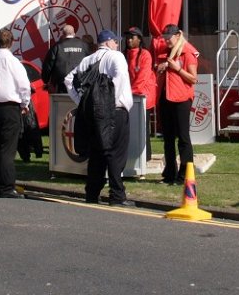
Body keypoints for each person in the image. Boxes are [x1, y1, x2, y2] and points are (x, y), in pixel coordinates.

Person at [65, 29, 134, 207]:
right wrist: (110, 103)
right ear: (109, 42)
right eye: (116, 41)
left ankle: (92, 193)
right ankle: (117, 196)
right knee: (115, 153)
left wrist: (81, 101)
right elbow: (120, 79)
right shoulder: (116, 57)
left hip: (92, 113)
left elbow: (68, 79)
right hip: (114, 111)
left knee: (97, 154)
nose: (118, 44)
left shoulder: (88, 59)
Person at [0, 27, 32, 198]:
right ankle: (6, 187)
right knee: (8, 149)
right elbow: (24, 86)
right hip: (11, 106)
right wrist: (25, 103)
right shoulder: (13, 62)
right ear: (11, 43)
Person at [154, 24, 199, 186]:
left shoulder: (187, 51)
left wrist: (178, 69)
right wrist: (158, 68)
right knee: (167, 139)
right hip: (166, 97)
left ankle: (184, 175)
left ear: (178, 35)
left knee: (183, 138)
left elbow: (193, 79)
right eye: (165, 39)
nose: (167, 42)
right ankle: (169, 174)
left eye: (169, 38)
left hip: (181, 99)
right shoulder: (165, 52)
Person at [124, 26, 157, 159]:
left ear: (139, 39)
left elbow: (142, 78)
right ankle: (131, 155)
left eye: (132, 37)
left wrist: (129, 92)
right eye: (127, 37)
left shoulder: (145, 55)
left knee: (142, 128)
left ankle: (145, 156)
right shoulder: (124, 54)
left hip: (143, 95)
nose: (129, 40)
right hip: (130, 95)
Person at [40, 21, 89, 94]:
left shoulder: (57, 46)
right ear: (74, 34)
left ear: (63, 34)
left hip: (61, 84)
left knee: (62, 104)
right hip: (80, 83)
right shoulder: (84, 45)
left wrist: (46, 80)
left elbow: (48, 65)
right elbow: (90, 62)